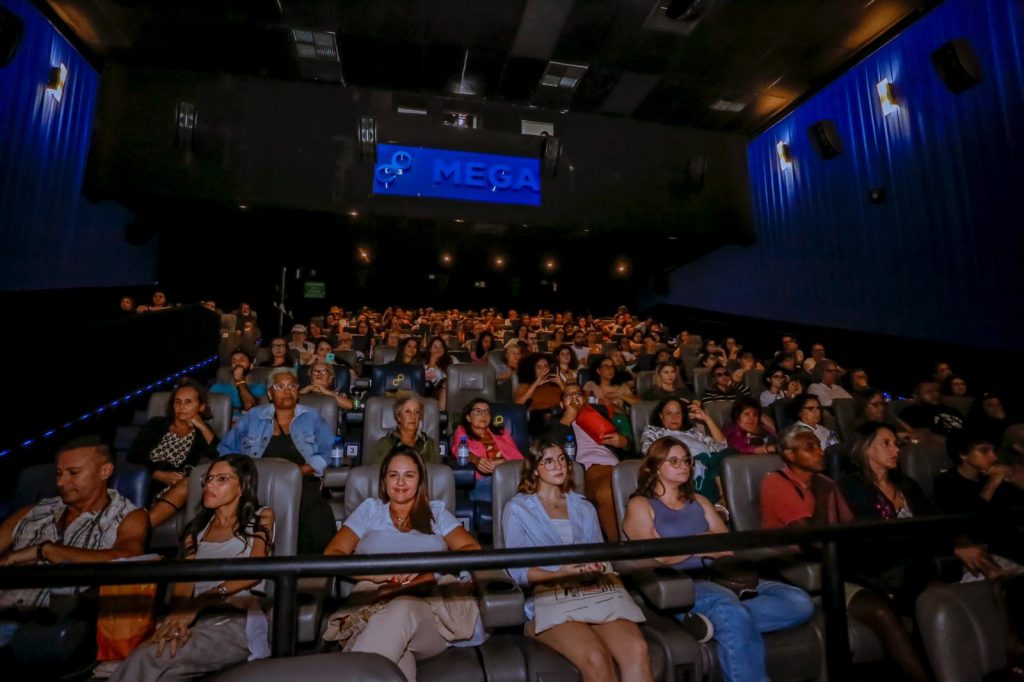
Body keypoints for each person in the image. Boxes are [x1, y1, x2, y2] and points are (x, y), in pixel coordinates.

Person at [623, 436, 814, 682]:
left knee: (800, 602)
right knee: (731, 613)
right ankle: (726, 620)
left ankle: (713, 623)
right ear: (656, 467)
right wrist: (701, 541)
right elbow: (654, 556)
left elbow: (724, 547)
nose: (684, 465)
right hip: (686, 584)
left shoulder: (699, 501)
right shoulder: (641, 504)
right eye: (674, 461)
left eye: (687, 460)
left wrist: (681, 548)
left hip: (723, 576)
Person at [760, 429, 930, 682]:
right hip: (801, 576)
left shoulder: (826, 483)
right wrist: (822, 493)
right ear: (789, 454)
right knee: (880, 611)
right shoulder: (776, 483)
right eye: (809, 447)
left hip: (842, 567)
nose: (820, 452)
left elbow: (851, 530)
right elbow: (814, 539)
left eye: (819, 445)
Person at [322, 447, 481, 681]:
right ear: (384, 480)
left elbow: (472, 549)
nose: (400, 482)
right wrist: (375, 574)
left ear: (420, 481)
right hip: (374, 603)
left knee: (402, 607)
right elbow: (333, 554)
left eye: (409, 475)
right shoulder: (370, 510)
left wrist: (425, 568)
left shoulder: (436, 513)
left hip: (429, 612)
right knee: (398, 663)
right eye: (393, 475)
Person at [111, 456, 275, 680]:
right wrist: (177, 620)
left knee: (148, 658)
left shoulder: (261, 517)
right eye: (208, 479)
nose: (210, 485)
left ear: (242, 486)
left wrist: (204, 600)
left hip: (235, 619)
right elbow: (183, 585)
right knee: (148, 661)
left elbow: (254, 572)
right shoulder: (195, 530)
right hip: (195, 618)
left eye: (222, 479)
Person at [503, 438, 654, 682]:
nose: (558, 466)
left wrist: (595, 567)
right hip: (550, 596)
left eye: (562, 459)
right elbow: (519, 572)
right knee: (596, 657)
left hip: (592, 592)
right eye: (548, 461)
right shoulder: (517, 509)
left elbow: (598, 554)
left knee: (638, 649)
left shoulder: (584, 506)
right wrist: (559, 573)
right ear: (534, 469)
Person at [0, 442, 149, 663]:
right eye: (58, 473)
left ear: (105, 471)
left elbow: (129, 556)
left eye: (73, 473)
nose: (61, 482)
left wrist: (48, 551)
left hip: (54, 621)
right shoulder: (32, 512)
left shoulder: (127, 517)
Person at [839, 423, 1001, 613]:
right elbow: (881, 539)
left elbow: (933, 523)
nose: (896, 449)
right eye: (886, 443)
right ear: (864, 448)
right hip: (883, 571)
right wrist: (951, 548)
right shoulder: (851, 488)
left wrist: (960, 543)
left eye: (896, 444)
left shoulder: (906, 485)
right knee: (945, 597)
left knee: (989, 578)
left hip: (918, 563)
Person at [218, 367, 335, 554]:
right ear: (270, 393)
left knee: (314, 513)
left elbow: (328, 449)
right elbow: (226, 449)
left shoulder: (311, 416)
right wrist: (242, 474)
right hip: (258, 483)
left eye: (292, 386)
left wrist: (305, 469)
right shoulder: (254, 416)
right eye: (280, 386)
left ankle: (311, 565)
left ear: (298, 390)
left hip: (301, 481)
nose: (287, 391)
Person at [128, 379, 219, 527]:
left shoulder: (202, 434)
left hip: (174, 490)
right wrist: (157, 474)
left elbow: (218, 456)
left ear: (201, 407)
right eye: (178, 402)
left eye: (188, 402)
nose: (182, 407)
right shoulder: (156, 424)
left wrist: (202, 425)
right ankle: (138, 527)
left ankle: (139, 528)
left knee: (188, 483)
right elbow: (133, 455)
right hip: (144, 481)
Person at [545, 384, 631, 540]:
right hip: (590, 469)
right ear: (562, 404)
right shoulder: (557, 421)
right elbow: (548, 449)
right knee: (607, 491)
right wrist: (567, 419)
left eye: (578, 394)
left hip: (620, 467)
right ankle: (619, 546)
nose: (574, 398)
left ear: (584, 399)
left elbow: (630, 443)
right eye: (568, 396)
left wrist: (623, 441)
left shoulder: (598, 414)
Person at [640, 398, 730, 506]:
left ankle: (722, 498)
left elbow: (721, 446)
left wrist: (707, 419)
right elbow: (648, 450)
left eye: (678, 413)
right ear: (661, 416)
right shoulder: (654, 431)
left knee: (730, 454)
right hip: (685, 466)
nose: (674, 417)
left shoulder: (693, 432)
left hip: (708, 464)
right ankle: (720, 500)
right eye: (669, 413)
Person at [450, 398, 523, 503]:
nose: (484, 415)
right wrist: (475, 459)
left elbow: (518, 457)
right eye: (478, 412)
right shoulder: (462, 431)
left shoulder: (501, 432)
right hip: (484, 479)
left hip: (508, 475)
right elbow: (457, 450)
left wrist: (503, 463)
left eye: (487, 412)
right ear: (468, 417)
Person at [367, 393, 441, 467]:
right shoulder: (385, 444)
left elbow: (438, 472)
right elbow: (375, 471)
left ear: (420, 418)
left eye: (417, 412)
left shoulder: (429, 444)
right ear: (398, 417)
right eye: (408, 411)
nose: (413, 416)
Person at [514, 353, 562, 435]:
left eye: (546, 366)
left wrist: (561, 383)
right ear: (531, 369)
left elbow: (571, 398)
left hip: (558, 417)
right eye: (538, 367)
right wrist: (536, 384)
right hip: (537, 420)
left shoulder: (555, 383)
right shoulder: (525, 386)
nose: (543, 370)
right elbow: (518, 405)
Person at [898, 380, 964, 439]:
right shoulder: (910, 414)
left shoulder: (950, 409)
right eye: (929, 392)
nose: (936, 394)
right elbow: (921, 436)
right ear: (916, 396)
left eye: (937, 391)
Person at [211, 351, 267, 416]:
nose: (237, 363)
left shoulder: (259, 388)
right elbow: (209, 410)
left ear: (251, 366)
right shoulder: (219, 388)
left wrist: (240, 380)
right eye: (234, 361)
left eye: (241, 360)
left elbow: (251, 408)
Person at [423, 336, 452, 410]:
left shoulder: (452, 359)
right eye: (435, 347)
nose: (438, 349)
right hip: (434, 394)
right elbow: (428, 383)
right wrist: (433, 359)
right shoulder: (425, 367)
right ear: (430, 350)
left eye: (441, 347)